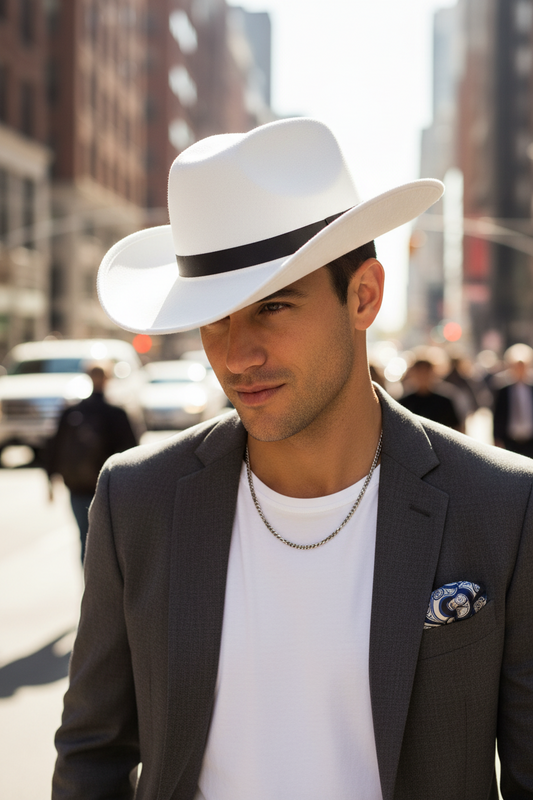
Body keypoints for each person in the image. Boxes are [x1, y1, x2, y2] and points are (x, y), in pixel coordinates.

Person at [52, 118, 533, 799]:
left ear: (362, 296)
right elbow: (92, 753)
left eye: (272, 306)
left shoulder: (502, 506)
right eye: (213, 316)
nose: (235, 353)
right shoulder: (138, 501)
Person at [47, 364, 138, 562]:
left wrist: (50, 481)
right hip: (110, 488)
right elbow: (134, 453)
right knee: (112, 543)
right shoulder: (117, 414)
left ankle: (89, 588)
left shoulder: (71, 413)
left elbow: (54, 448)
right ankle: (108, 590)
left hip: (77, 487)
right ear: (107, 380)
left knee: (84, 537)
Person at [493, 343, 533, 458]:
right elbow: (497, 415)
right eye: (516, 366)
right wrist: (496, 439)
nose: (519, 369)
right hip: (510, 439)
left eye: (522, 366)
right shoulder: (502, 390)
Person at [400, 357, 460, 430]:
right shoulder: (404, 403)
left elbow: (457, 427)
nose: (423, 377)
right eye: (419, 373)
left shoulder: (444, 402)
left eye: (425, 372)